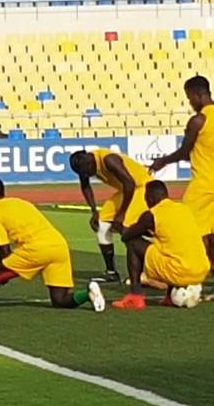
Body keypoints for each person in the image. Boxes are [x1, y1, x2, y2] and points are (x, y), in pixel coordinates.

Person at [0, 178, 101, 311]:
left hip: (37, 249)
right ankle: (87, 293)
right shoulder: (20, 202)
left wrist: (2, 274)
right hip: (59, 246)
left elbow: (4, 249)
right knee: (60, 299)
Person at [99, 180, 210, 310]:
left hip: (180, 271)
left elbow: (127, 236)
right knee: (167, 247)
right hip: (201, 271)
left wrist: (120, 226)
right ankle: (169, 296)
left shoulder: (151, 215)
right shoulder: (183, 209)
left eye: (146, 197)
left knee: (134, 244)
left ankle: (135, 296)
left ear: (150, 197)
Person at [150, 75, 214, 266]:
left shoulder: (198, 121)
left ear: (198, 94)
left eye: (189, 98)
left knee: (188, 226)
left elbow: (184, 152)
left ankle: (191, 266)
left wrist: (162, 161)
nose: (190, 103)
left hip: (204, 183)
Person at [69, 148, 152, 283]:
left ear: (90, 162)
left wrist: (122, 214)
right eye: (82, 173)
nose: (87, 175)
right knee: (102, 225)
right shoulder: (84, 164)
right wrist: (94, 211)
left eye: (86, 172)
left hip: (142, 187)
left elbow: (130, 183)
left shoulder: (109, 160)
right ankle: (111, 272)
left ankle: (145, 272)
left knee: (128, 227)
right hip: (127, 190)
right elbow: (85, 186)